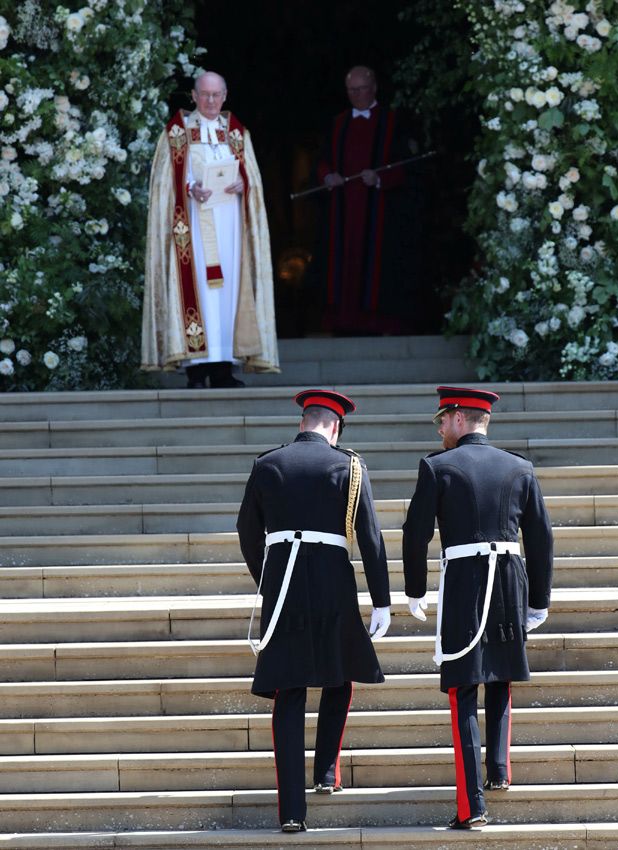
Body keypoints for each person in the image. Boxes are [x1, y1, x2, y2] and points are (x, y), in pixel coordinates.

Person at [237, 389, 392, 832]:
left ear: (303, 421)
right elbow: (370, 538)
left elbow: (247, 529)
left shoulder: (268, 463)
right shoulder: (350, 466)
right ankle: (325, 772)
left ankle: (291, 811)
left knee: (289, 690)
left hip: (282, 580)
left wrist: (266, 580)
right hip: (332, 579)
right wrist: (381, 599)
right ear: (336, 426)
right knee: (339, 675)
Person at [402, 386, 553, 829]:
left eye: (441, 420)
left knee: (464, 687)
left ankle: (472, 807)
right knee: (500, 672)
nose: (439, 428)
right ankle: (499, 770)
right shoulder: (519, 467)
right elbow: (541, 538)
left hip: (466, 580)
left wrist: (415, 590)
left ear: (458, 418)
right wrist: (539, 598)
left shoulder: (437, 466)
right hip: (510, 577)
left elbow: (416, 534)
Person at [141, 70, 279, 387]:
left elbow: (252, 180)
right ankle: (195, 368)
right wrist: (190, 188)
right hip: (191, 230)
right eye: (205, 94)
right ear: (194, 96)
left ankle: (222, 368)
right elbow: (164, 183)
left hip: (230, 228)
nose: (211, 101)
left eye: (217, 95)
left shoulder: (236, 133)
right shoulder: (177, 133)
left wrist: (244, 183)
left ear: (225, 96)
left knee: (227, 295)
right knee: (198, 292)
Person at [312, 65, 418, 335]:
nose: (357, 95)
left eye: (361, 89)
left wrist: (382, 178)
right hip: (343, 213)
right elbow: (321, 160)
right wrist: (327, 177)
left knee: (379, 268)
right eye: (351, 90)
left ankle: (380, 322)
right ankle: (343, 322)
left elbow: (410, 166)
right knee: (342, 265)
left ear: (374, 88)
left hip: (381, 213)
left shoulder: (394, 122)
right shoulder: (338, 124)